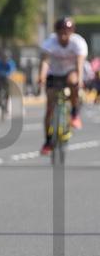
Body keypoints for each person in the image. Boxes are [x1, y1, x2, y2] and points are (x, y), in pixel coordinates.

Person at [38, 17, 88, 155]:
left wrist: (80, 81)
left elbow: (80, 63)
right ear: (56, 32)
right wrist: (41, 76)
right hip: (54, 73)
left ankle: (75, 113)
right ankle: (48, 141)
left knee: (73, 82)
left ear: (72, 32)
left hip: (70, 72)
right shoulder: (50, 42)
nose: (63, 36)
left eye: (67, 32)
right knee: (49, 108)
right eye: (60, 32)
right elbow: (45, 62)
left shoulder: (78, 43)